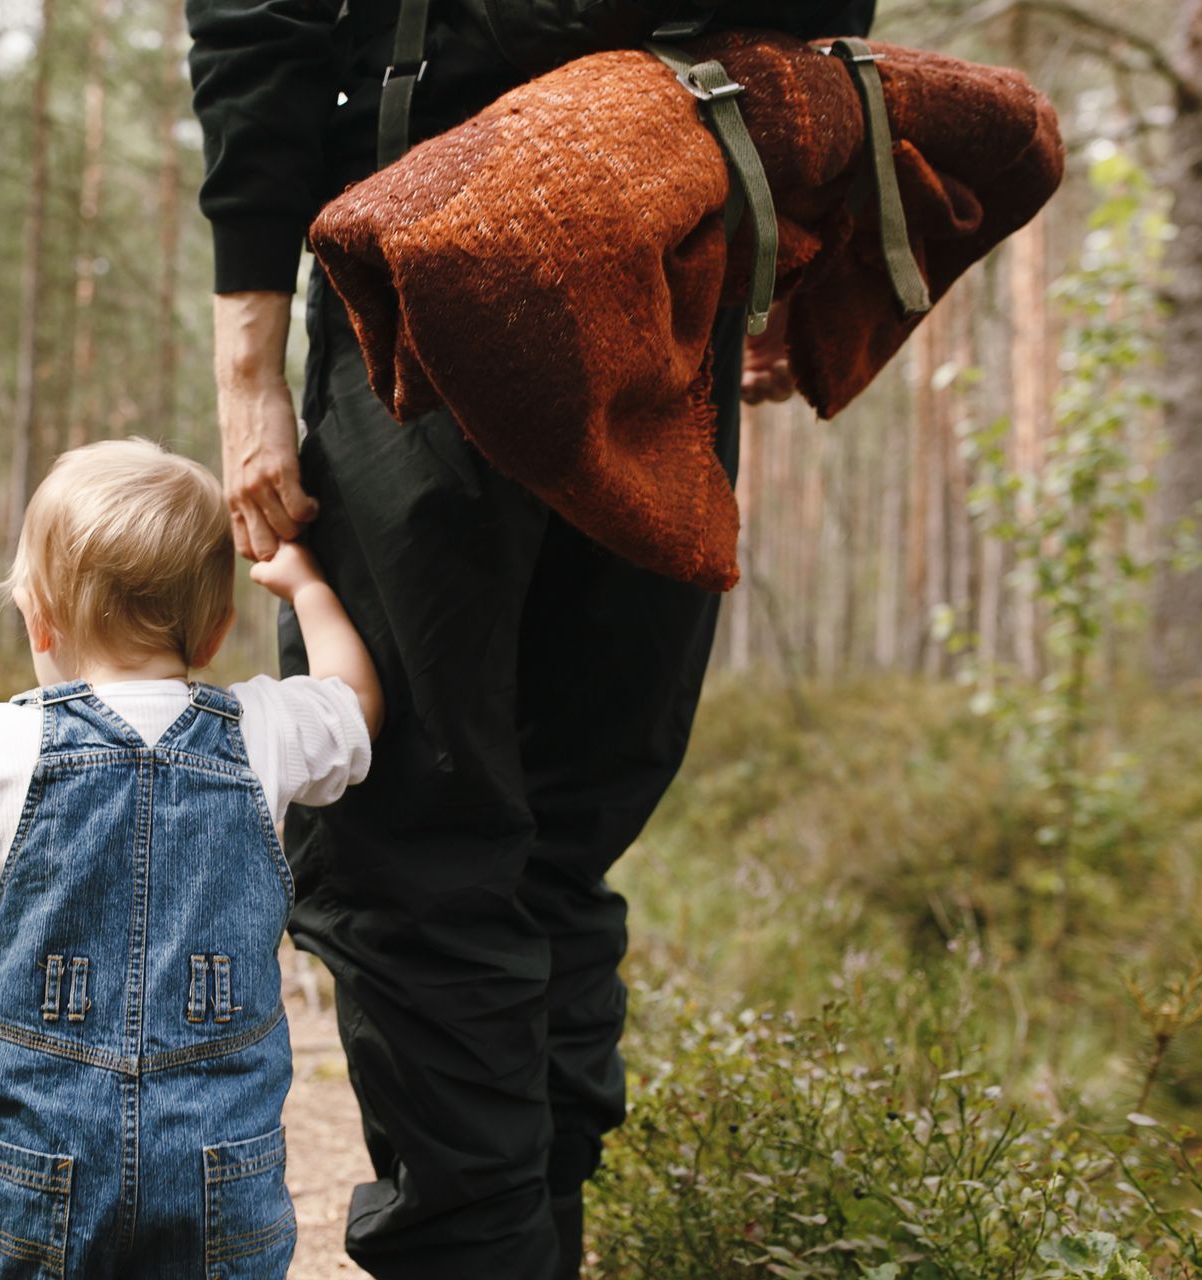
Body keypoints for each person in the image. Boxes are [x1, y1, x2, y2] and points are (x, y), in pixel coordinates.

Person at [184, 2, 876, 1277]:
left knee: (425, 835)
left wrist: (248, 361)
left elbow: (262, 16)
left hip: (463, 244)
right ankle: (524, 1243)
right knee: (548, 837)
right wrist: (794, 235)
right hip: (659, 231)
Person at [0, 438, 382, 1278]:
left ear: (39, 617)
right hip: (220, 1174)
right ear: (218, 628)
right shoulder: (262, 734)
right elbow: (357, 705)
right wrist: (305, 588)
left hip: (34, 1166)